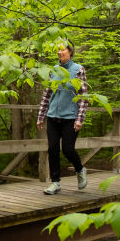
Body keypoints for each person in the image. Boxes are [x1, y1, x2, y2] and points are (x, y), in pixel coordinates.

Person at [36, 40, 89, 195]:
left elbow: (83, 96)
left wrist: (80, 119)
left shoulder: (78, 70)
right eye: (58, 50)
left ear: (70, 52)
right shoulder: (53, 70)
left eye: (63, 50)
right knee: (52, 149)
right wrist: (41, 116)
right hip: (53, 116)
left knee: (67, 149)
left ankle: (79, 170)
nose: (60, 53)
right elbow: (47, 94)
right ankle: (55, 182)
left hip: (70, 117)